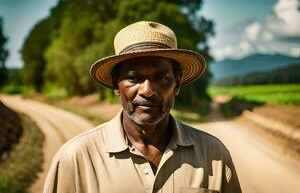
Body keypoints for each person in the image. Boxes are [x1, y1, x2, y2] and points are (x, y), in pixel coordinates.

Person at [43, 21, 242, 193]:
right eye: (133, 78)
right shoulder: (76, 158)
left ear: (177, 83)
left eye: (161, 77)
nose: (147, 90)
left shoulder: (213, 155)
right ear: (115, 84)